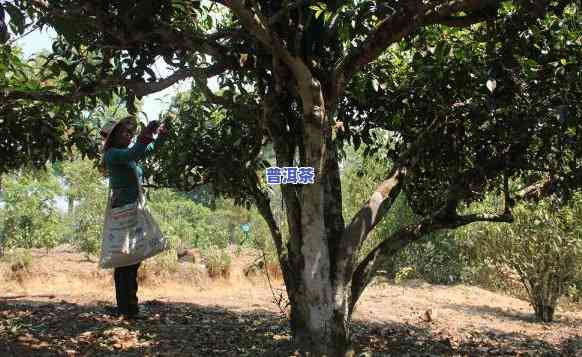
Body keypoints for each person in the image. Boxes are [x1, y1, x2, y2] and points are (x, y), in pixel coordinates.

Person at [100, 116, 166, 319]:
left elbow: (147, 151)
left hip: (131, 211)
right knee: (125, 261)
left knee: (131, 259)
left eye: (130, 133)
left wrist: (159, 136)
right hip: (124, 213)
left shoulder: (127, 155)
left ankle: (127, 306)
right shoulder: (112, 154)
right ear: (113, 138)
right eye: (124, 133)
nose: (128, 135)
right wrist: (146, 135)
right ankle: (127, 308)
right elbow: (136, 151)